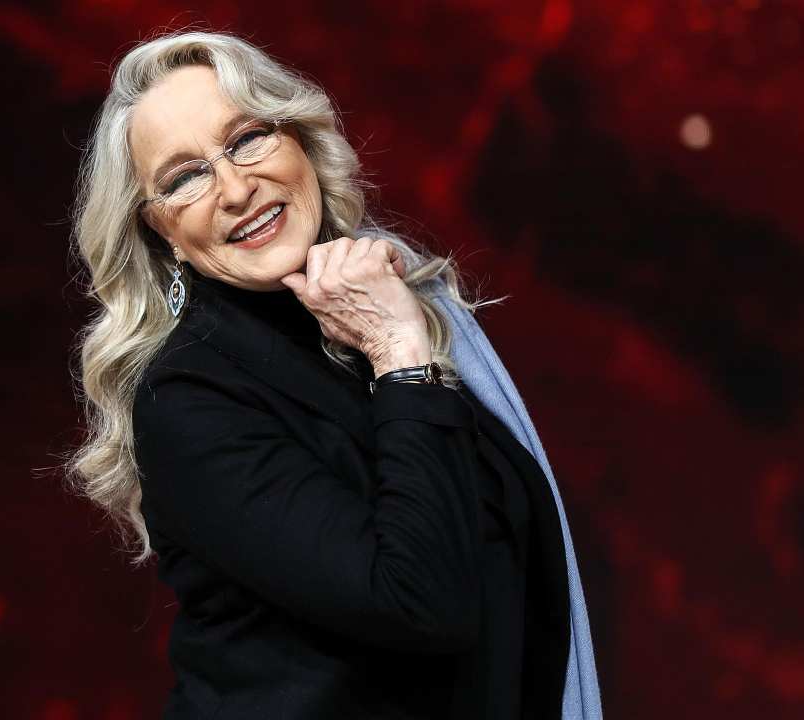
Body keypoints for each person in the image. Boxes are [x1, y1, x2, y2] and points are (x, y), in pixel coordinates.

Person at [67, 30, 603, 720]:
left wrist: (396, 336)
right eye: (185, 178)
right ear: (161, 231)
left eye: (246, 139)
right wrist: (399, 356)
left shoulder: (396, 297)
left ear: (300, 140)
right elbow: (420, 602)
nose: (235, 189)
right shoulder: (187, 398)